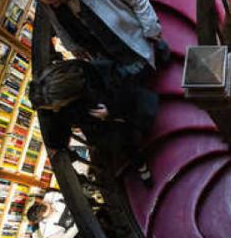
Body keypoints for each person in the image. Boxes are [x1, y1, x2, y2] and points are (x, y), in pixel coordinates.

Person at [25, 0, 169, 84]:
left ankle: (159, 59)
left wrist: (151, 29)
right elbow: (57, 22)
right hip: (97, 47)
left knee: (143, 64)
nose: (55, 5)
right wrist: (72, 46)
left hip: (126, 38)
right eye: (51, 3)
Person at [29, 58, 155, 186]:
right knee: (123, 145)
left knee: (126, 143)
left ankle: (141, 165)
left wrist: (110, 110)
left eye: (53, 106)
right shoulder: (56, 92)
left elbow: (121, 92)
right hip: (102, 127)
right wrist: (55, 145)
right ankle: (140, 164)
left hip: (115, 119)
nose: (54, 109)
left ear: (63, 98)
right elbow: (59, 124)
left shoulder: (91, 89)